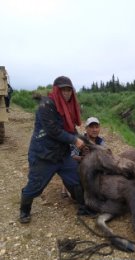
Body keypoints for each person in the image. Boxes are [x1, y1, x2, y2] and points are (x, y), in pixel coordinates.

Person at [19, 76, 96, 224]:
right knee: (35, 186)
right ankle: (24, 210)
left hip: (62, 155)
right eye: (63, 89)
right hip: (44, 155)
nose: (66, 93)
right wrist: (75, 140)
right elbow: (53, 131)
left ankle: (83, 207)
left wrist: (87, 143)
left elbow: (71, 130)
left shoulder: (67, 107)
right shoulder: (45, 105)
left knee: (77, 180)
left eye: (69, 89)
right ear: (56, 90)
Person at [61, 116, 105, 197]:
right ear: (86, 129)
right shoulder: (80, 141)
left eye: (96, 127)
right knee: (69, 167)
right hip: (80, 166)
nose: (94, 130)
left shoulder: (101, 141)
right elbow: (71, 156)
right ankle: (65, 187)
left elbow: (104, 154)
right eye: (91, 127)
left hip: (94, 167)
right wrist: (82, 158)